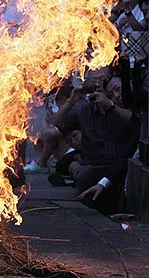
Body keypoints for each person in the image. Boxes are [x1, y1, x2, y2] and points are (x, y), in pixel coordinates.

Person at [48, 69, 139, 214]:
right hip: (91, 167)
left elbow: (136, 124)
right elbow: (57, 126)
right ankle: (76, 172)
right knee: (83, 173)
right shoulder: (84, 109)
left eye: (118, 90)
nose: (117, 95)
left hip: (118, 167)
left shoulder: (124, 110)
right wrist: (70, 102)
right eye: (113, 91)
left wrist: (111, 106)